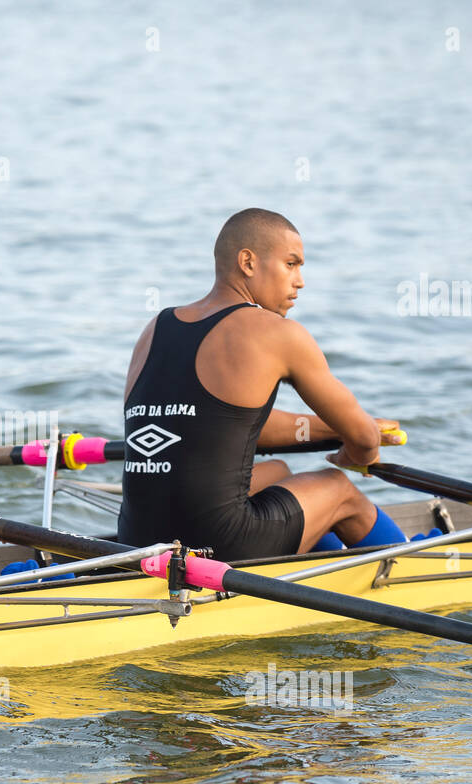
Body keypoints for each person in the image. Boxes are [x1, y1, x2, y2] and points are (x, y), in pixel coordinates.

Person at [117, 208, 407, 561]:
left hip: (136, 538)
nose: (300, 281)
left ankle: (323, 564)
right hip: (218, 544)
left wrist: (334, 430)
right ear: (248, 262)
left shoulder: (155, 327)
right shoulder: (278, 334)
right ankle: (414, 569)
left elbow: (215, 424)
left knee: (277, 473)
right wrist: (358, 449)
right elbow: (364, 440)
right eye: (291, 264)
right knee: (340, 489)